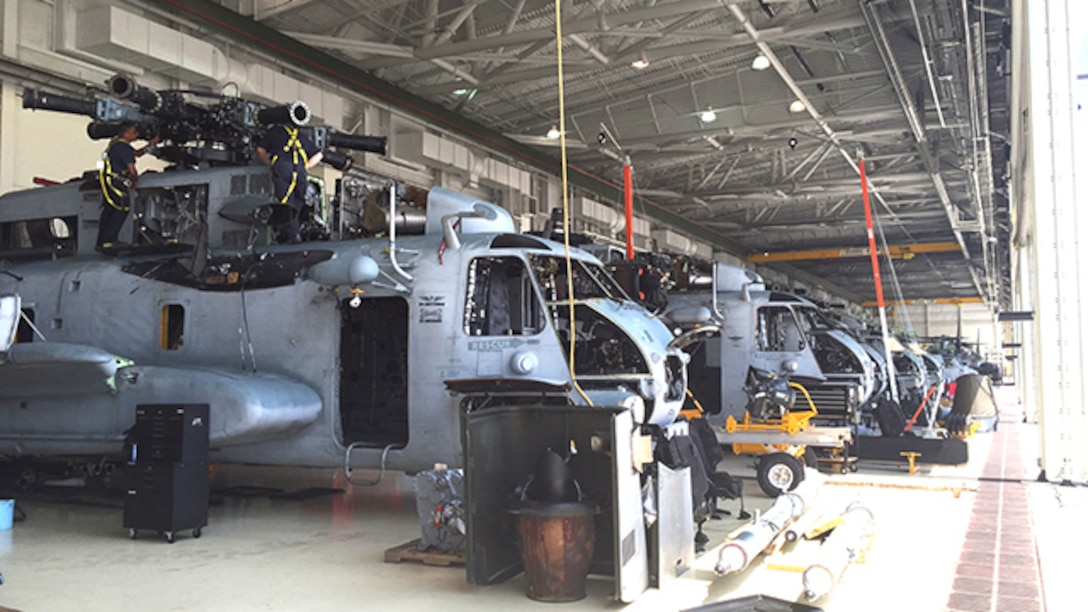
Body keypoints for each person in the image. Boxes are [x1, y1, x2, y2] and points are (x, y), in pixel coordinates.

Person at [256, 124, 323, 243]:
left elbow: (260, 150)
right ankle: (292, 229)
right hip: (300, 171)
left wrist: (269, 164)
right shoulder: (300, 135)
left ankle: (292, 234)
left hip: (283, 168)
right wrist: (306, 167)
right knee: (299, 200)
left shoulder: (274, 132)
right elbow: (319, 155)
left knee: (286, 202)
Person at [98, 122, 158, 250]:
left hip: (109, 182)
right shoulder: (123, 147)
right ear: (126, 133)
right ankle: (109, 241)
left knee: (110, 210)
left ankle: (102, 241)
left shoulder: (117, 143)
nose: (136, 134)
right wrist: (134, 181)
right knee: (122, 208)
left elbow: (136, 154)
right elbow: (132, 168)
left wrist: (150, 145)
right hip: (116, 183)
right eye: (134, 132)